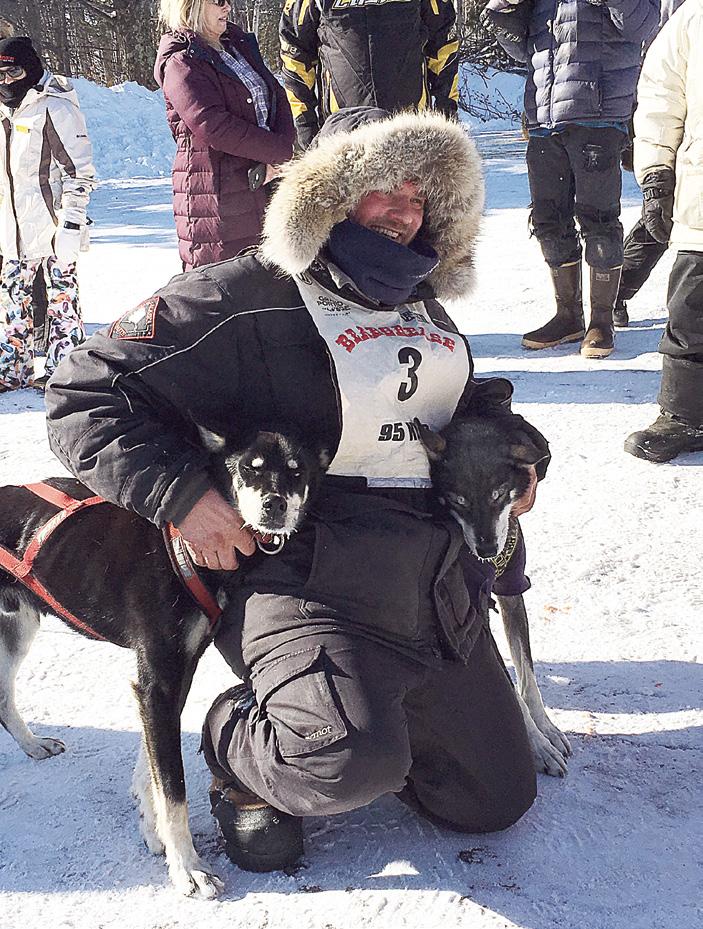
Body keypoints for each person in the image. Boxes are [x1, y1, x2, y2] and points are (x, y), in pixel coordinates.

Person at [45, 108, 551, 872]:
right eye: (383, 185)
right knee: (344, 761)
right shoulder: (244, 293)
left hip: (429, 581)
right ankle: (238, 741)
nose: (403, 207)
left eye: (420, 193)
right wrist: (181, 496)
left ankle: (367, 713)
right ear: (328, 193)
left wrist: (507, 453)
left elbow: (445, 402)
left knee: (491, 796)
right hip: (303, 578)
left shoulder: (418, 296)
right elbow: (83, 391)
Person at [481, 0, 658, 358]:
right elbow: (521, 49)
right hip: (544, 113)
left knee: (599, 219)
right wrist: (505, 10)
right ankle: (568, 315)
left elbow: (643, 25)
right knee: (548, 220)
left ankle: (602, 321)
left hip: (599, 111)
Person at [155, 0, 295, 271]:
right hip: (216, 199)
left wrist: (282, 150)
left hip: (262, 186)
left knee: (269, 283)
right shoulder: (181, 61)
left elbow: (276, 95)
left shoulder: (236, 46)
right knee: (224, 283)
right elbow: (214, 125)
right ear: (191, 5)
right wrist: (279, 152)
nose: (228, 7)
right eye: (218, 1)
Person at [623, 1, 703, 462]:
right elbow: (659, 97)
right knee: (691, 312)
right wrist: (656, 174)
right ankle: (685, 416)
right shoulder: (693, 18)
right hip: (701, 200)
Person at [0, 35, 94, 393]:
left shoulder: (54, 106)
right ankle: (12, 368)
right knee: (11, 297)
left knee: (61, 299)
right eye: (0, 75)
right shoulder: (2, 110)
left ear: (31, 69)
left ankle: (64, 368)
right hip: (13, 227)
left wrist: (71, 221)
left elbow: (79, 172)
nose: (7, 82)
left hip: (53, 224)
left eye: (14, 72)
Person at [279, 0, 459, 150]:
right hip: (344, 136)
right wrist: (305, 126)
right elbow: (295, 56)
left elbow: (443, 46)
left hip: (410, 130)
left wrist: (446, 110)